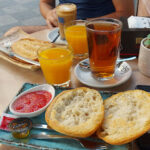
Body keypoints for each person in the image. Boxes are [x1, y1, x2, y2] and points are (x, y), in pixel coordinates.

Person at [4, 0, 134, 36]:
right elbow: (45, 3)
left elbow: (126, 13)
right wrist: (50, 14)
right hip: (63, 33)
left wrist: (85, 24)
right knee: (13, 33)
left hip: (99, 34)